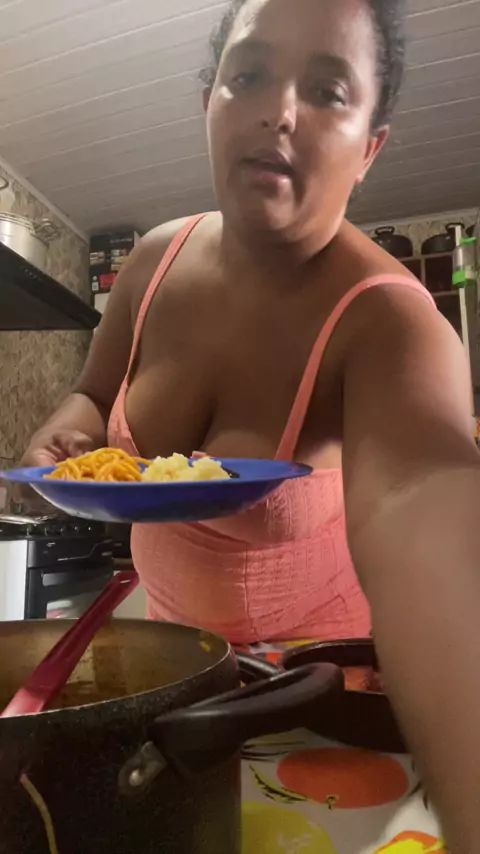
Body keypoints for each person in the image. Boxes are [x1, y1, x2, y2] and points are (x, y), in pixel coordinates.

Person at [22, 0, 480, 848]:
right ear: (210, 105)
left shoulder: (390, 324)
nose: (280, 110)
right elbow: (90, 392)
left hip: (315, 701)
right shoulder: (152, 262)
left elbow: (434, 551)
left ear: (370, 148)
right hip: (167, 668)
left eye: (328, 90)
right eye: (249, 75)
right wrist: (68, 436)